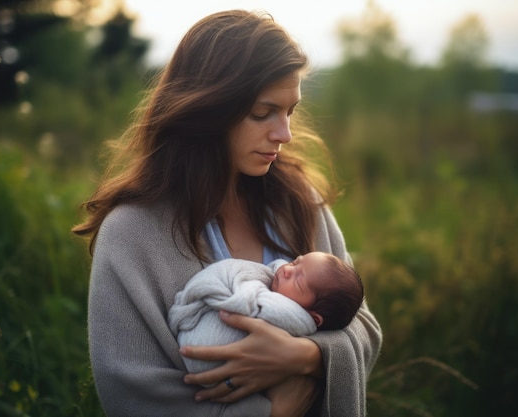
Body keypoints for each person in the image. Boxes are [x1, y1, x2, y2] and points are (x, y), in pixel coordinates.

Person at [73, 9, 382, 417]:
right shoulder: (132, 234)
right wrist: (274, 411)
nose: (284, 134)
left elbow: (364, 328)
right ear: (207, 108)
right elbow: (131, 392)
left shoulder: (298, 203)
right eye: (262, 113)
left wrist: (308, 356)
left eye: (289, 112)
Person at [168, 252, 364, 375]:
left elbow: (252, 303)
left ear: (314, 317)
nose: (286, 270)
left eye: (298, 281)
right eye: (295, 262)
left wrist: (312, 357)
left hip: (210, 361)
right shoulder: (286, 278)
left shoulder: (293, 314)